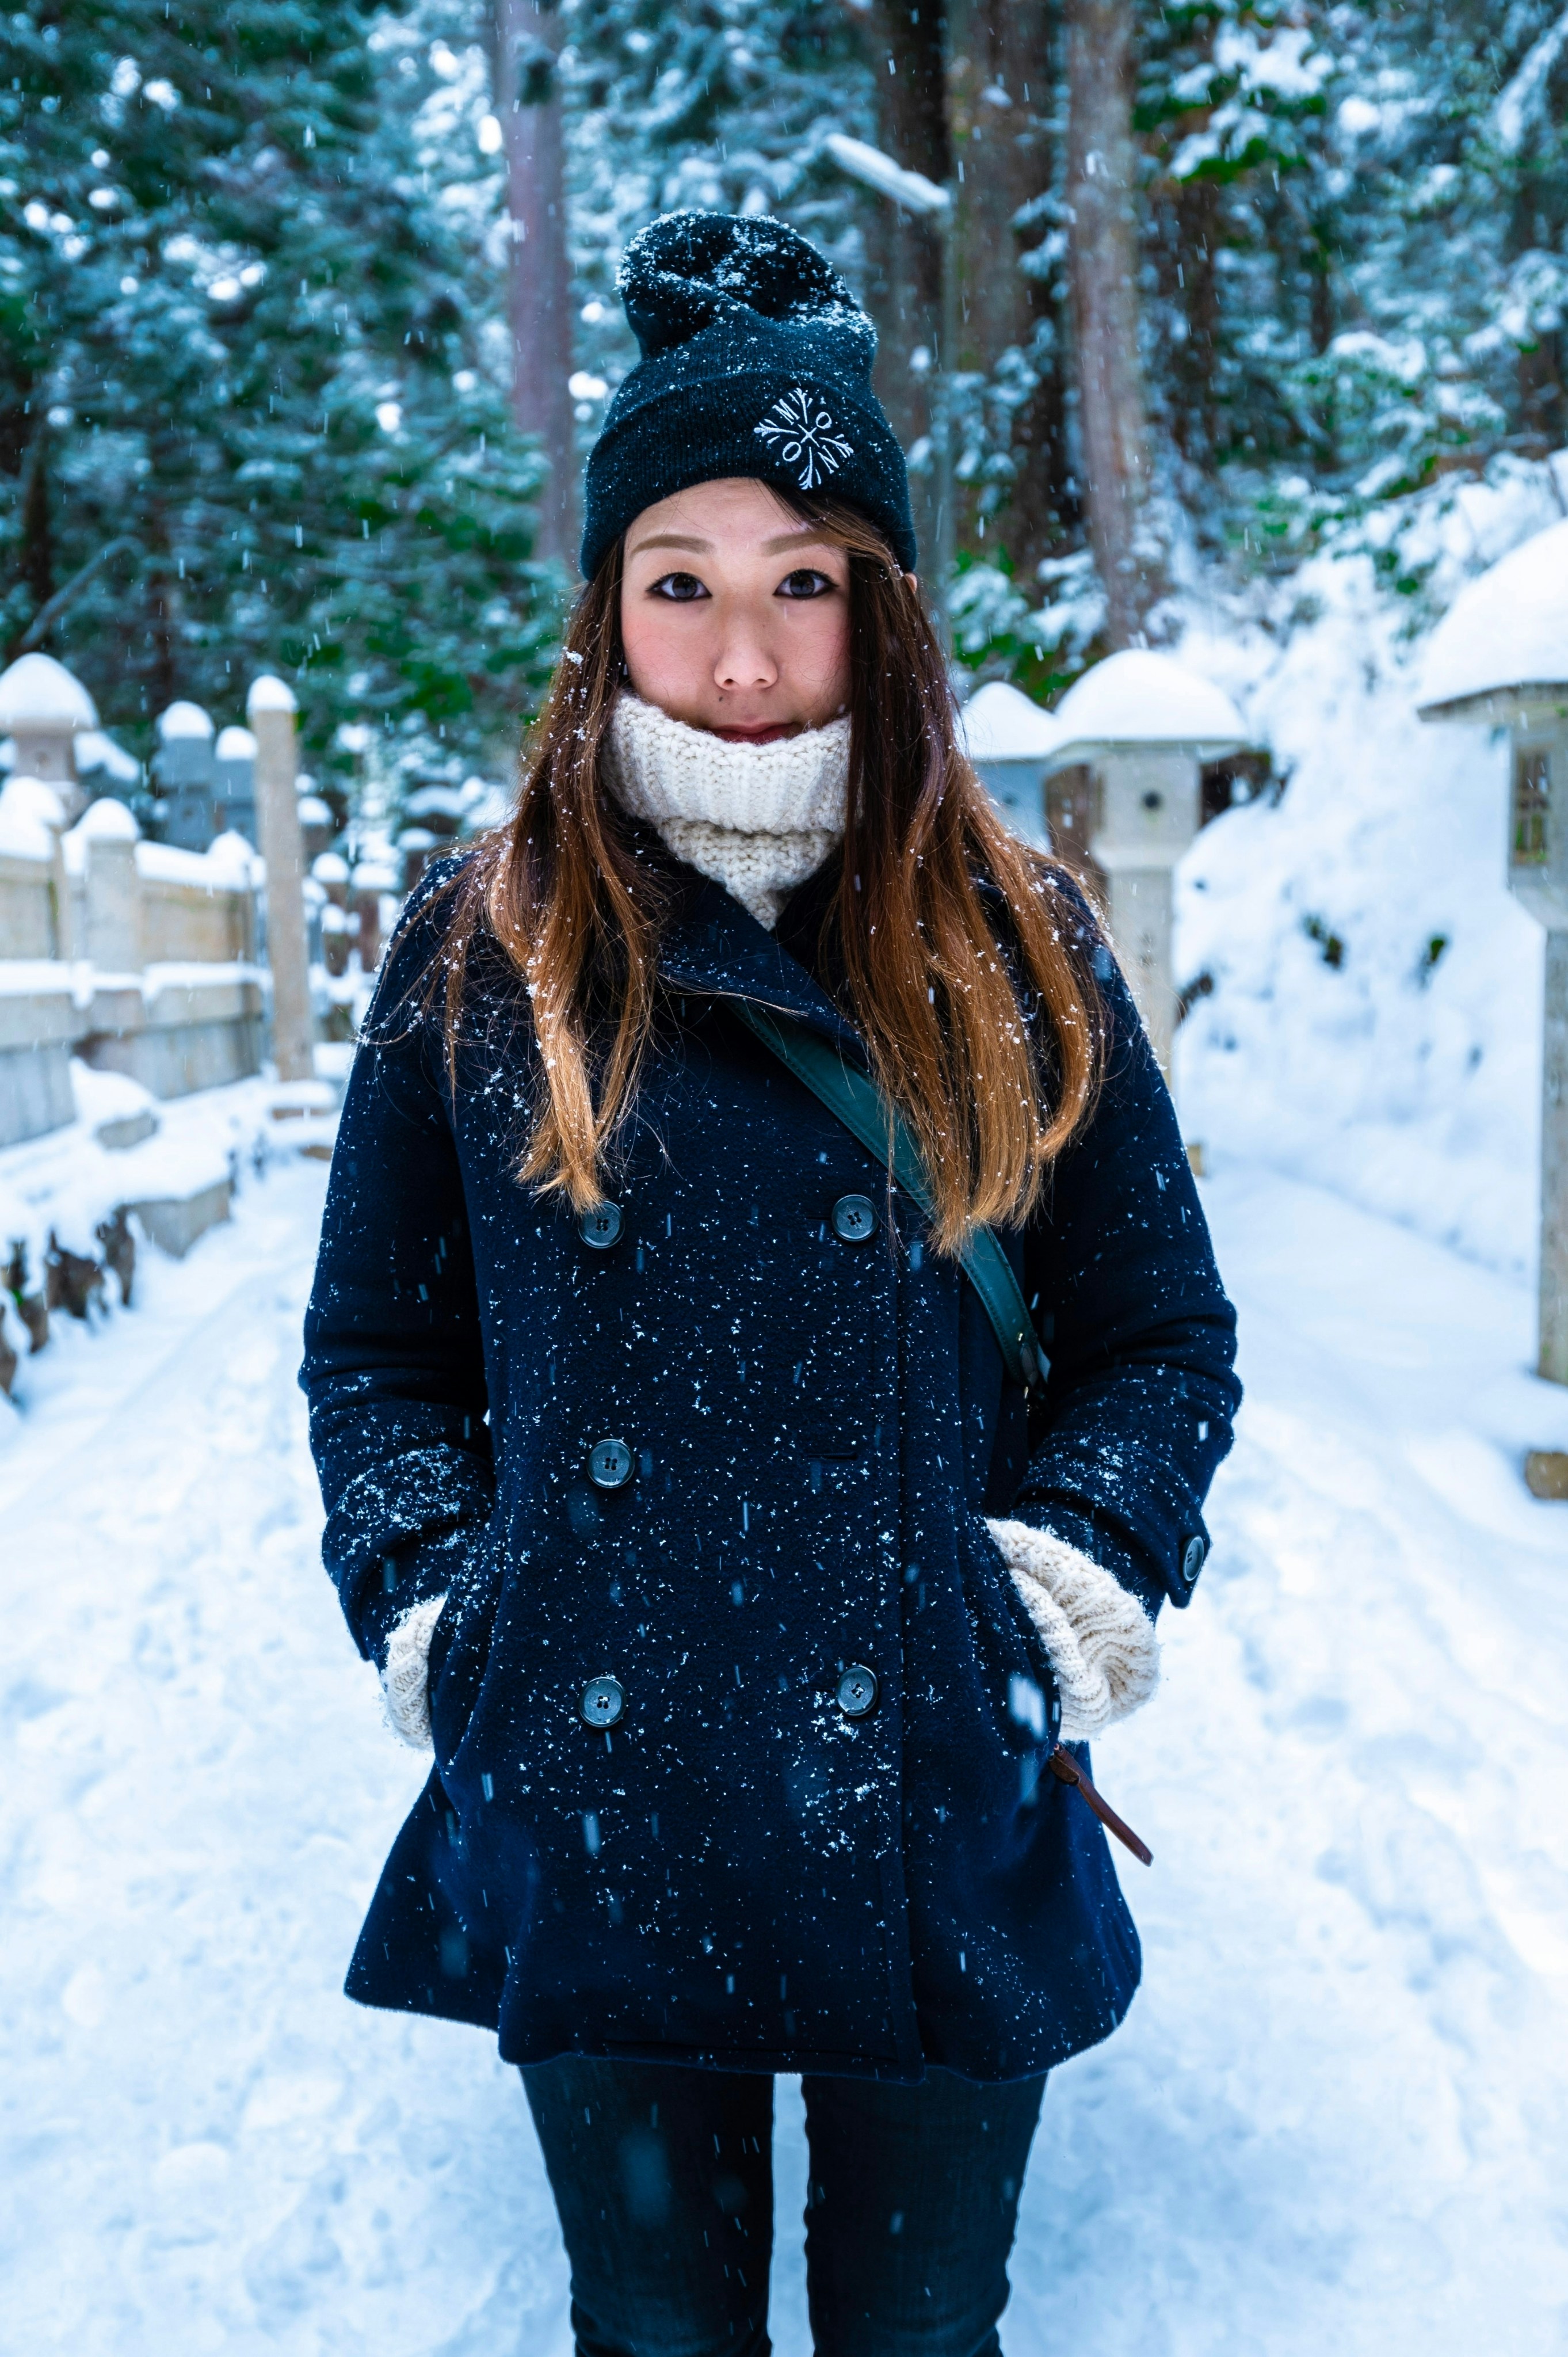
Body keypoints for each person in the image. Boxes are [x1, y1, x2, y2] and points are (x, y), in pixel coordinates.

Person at [302, 210, 1240, 2357]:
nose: (743, 659)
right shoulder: (488, 943)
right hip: (596, 1773)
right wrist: (450, 1611)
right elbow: (380, 1354)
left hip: (935, 1753)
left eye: (802, 583)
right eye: (681, 586)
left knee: (921, 2336)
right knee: (654, 2329)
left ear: (880, 607)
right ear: (605, 609)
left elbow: (1154, 1330)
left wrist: (1069, 1578)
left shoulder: (1016, 937)